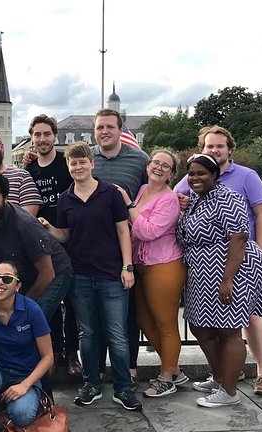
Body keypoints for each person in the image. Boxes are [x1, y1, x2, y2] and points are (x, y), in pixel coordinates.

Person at [40, 141, 142, 412]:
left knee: (117, 334)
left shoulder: (110, 194)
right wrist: (49, 227)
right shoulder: (65, 198)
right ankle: (91, 384)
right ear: (69, 167)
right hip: (81, 275)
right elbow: (66, 235)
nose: (78, 166)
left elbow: (123, 231)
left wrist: (127, 266)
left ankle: (123, 388)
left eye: (82, 161)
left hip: (111, 274)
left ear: (92, 164)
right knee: (88, 333)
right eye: (73, 163)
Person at [175, 125, 262, 395]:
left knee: (230, 331)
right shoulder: (196, 198)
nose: (195, 178)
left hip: (231, 268)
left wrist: (228, 279)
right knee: (200, 327)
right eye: (191, 174)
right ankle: (220, 378)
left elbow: (239, 237)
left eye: (201, 174)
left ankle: (228, 392)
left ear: (215, 174)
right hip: (201, 272)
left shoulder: (228, 196)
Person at [117, 149, 187, 397]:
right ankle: (176, 368)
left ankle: (167, 376)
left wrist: (127, 203)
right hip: (141, 265)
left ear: (171, 174)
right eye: (155, 162)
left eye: (166, 166)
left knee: (165, 323)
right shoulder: (143, 191)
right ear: (147, 166)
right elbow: (132, 224)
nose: (159, 167)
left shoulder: (169, 199)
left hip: (164, 265)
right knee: (145, 321)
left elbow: (146, 231)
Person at [90, 109, 149, 382]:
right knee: (96, 313)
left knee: (127, 313)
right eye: (100, 127)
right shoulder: (86, 159)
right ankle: (99, 368)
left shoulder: (140, 160)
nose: (104, 132)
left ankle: (130, 366)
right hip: (93, 246)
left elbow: (155, 193)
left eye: (110, 127)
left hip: (129, 245)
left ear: (120, 130)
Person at [0, 171, 72, 321]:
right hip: (21, 272)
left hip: (54, 272)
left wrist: (18, 306)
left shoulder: (25, 225)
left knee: (28, 320)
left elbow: (47, 273)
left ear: (5, 198)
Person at [25, 114, 80, 377]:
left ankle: (72, 355)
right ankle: (55, 353)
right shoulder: (30, 170)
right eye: (37, 134)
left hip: (70, 238)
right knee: (52, 300)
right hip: (42, 245)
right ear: (32, 137)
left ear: (55, 137)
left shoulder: (65, 164)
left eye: (47, 134)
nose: (42, 139)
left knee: (72, 302)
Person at [0, 261, 53, 432]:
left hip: (26, 375)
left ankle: (5, 409)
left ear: (18, 286)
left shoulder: (32, 309)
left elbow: (48, 357)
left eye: (7, 279)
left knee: (22, 414)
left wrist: (25, 385)